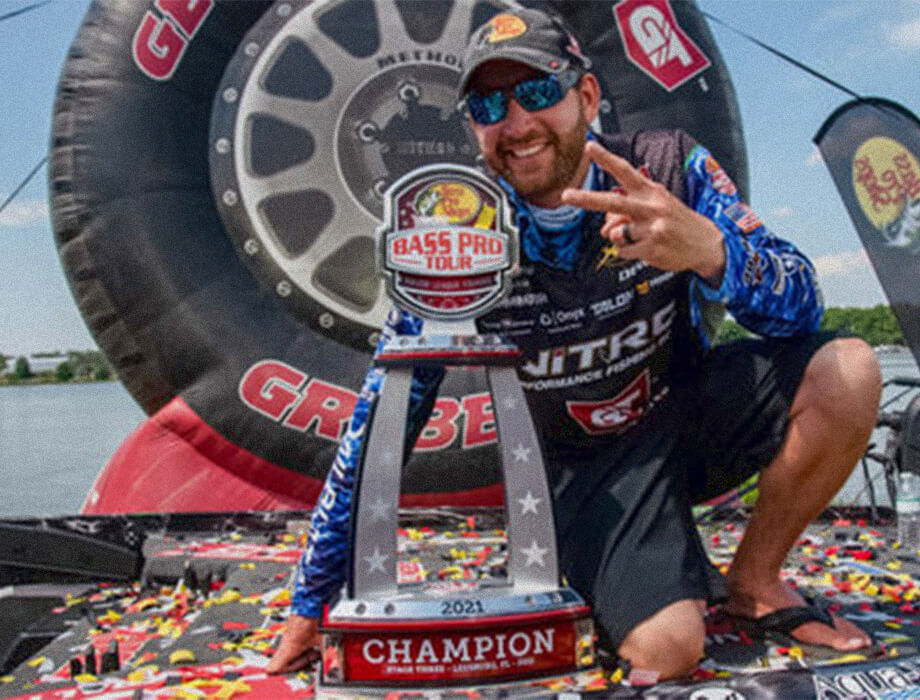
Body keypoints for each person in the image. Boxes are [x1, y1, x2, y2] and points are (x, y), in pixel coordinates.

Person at [269, 7, 881, 679]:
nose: (517, 123)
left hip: (683, 414)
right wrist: (311, 595)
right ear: (471, 123)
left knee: (847, 369)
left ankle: (755, 582)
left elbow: (804, 307)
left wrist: (712, 251)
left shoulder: (670, 167)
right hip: (585, 469)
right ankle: (632, 563)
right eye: (487, 105)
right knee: (668, 649)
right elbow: (387, 410)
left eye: (537, 92)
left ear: (586, 96)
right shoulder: (459, 227)